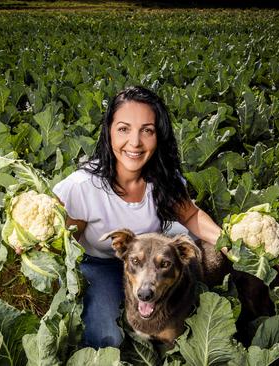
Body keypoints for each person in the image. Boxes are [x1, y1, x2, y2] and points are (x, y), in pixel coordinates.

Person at [52, 86, 222, 349]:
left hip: (154, 259)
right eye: (124, 129)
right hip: (98, 264)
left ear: (159, 136)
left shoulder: (163, 178)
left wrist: (232, 243)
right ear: (108, 131)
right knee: (107, 337)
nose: (135, 142)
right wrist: (35, 243)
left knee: (187, 306)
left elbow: (190, 214)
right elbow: (61, 242)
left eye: (147, 130)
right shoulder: (83, 187)